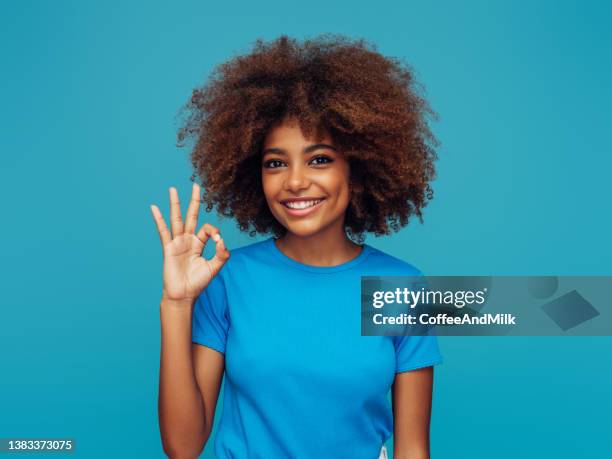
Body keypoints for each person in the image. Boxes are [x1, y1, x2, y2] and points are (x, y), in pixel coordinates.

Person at [152, 34, 442, 459]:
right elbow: (183, 446)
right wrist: (176, 305)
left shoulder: (401, 287)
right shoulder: (228, 277)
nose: (294, 182)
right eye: (275, 163)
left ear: (356, 169)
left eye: (319, 159)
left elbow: (413, 448)